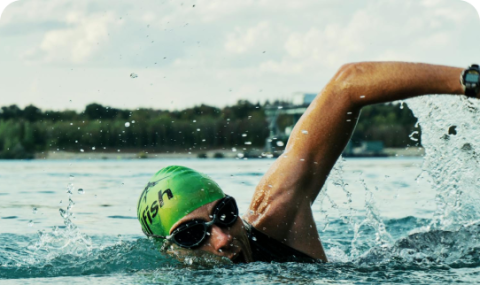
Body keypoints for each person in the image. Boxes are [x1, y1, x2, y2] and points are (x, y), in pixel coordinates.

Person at [137, 62, 480, 264]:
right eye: (192, 235)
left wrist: (471, 81)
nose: (223, 239)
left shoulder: (275, 219)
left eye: (225, 214)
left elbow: (348, 84)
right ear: (169, 251)